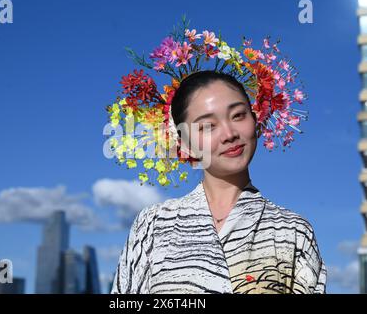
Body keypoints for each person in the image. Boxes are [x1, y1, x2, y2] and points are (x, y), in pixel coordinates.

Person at [106, 20, 327, 294]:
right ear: (183, 142)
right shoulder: (153, 225)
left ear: (256, 121)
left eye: (238, 115)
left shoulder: (294, 232)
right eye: (207, 126)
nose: (229, 133)